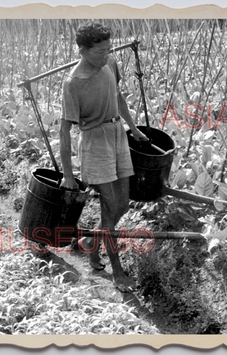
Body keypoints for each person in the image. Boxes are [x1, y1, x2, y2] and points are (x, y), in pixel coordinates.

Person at [59, 22, 148, 293]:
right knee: (109, 211)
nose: (106, 55)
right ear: (82, 50)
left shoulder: (110, 63)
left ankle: (91, 242)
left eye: (108, 49)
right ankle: (117, 273)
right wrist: (68, 174)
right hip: (94, 144)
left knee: (122, 204)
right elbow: (64, 130)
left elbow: (117, 95)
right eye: (99, 51)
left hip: (117, 135)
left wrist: (133, 129)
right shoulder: (74, 83)